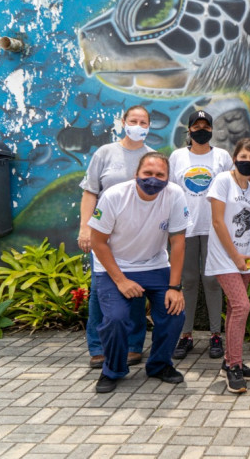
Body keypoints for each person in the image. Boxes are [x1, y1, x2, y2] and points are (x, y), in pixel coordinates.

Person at [88, 152, 190, 393]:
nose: (153, 179)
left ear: (167, 177)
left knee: (174, 313)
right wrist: (121, 280)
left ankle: (159, 365)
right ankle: (112, 369)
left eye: (159, 175)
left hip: (154, 265)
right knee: (115, 319)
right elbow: (98, 242)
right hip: (115, 267)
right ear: (136, 174)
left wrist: (175, 288)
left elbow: (178, 242)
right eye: (148, 173)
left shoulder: (174, 194)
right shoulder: (114, 196)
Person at [78, 105, 153, 369]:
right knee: (100, 290)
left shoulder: (151, 157)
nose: (138, 125)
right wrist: (85, 228)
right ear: (123, 122)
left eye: (143, 122)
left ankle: (133, 345)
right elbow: (90, 192)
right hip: (104, 235)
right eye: (134, 120)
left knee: (135, 288)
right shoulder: (105, 153)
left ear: (149, 126)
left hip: (138, 237)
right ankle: (98, 347)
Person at [169, 110, 233, 360]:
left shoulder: (222, 157)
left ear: (211, 129)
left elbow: (229, 190)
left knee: (212, 281)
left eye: (206, 125)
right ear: (189, 130)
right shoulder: (177, 157)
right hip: (184, 228)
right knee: (189, 281)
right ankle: (186, 335)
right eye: (197, 125)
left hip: (213, 228)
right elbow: (171, 191)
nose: (201, 129)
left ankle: (216, 335)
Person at [206, 138, 250, 394]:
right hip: (224, 257)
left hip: (244, 259)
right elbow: (218, 223)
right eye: (244, 156)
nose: (247, 161)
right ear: (234, 157)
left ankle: (230, 361)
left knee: (233, 309)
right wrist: (235, 258)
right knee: (242, 306)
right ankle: (234, 367)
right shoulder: (222, 181)